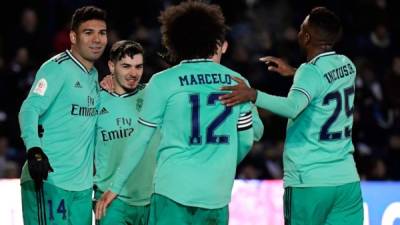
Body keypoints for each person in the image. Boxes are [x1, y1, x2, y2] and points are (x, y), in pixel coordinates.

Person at [96, 1, 260, 224]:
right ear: (215, 40)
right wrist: (222, 163)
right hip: (216, 194)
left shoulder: (164, 81)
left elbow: (141, 140)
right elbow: (247, 140)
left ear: (176, 40)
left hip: (172, 191)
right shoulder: (237, 81)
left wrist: (114, 187)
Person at [220, 6, 363, 225]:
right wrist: (295, 72)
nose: (297, 33)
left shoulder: (310, 72)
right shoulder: (347, 65)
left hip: (310, 181)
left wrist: (253, 94)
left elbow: (292, 107)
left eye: (301, 28)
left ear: (306, 37)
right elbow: (324, 86)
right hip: (346, 181)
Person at [18, 6, 107, 225]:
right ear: (73, 37)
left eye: (102, 33)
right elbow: (29, 108)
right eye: (89, 32)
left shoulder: (94, 75)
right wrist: (34, 150)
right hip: (49, 179)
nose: (97, 39)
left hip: (82, 187)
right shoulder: (56, 68)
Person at [94, 40, 160, 225]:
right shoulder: (96, 99)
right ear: (111, 66)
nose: (133, 73)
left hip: (152, 200)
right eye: (126, 66)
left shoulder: (154, 95)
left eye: (138, 67)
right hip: (111, 200)